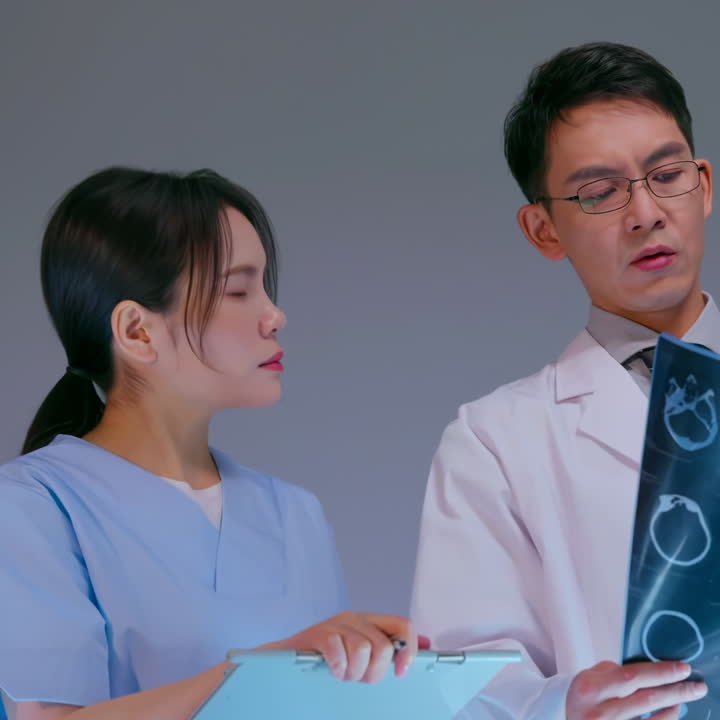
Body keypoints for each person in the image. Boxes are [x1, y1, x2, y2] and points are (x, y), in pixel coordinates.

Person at [409, 41, 720, 720]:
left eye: (666, 174)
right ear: (543, 230)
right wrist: (566, 705)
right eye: (599, 192)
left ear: (703, 186)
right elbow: (458, 691)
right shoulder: (495, 443)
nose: (645, 212)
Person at [0, 167, 424, 720]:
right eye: (239, 291)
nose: (274, 315)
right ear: (137, 332)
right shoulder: (32, 508)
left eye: (265, 288)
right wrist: (261, 672)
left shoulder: (294, 514)